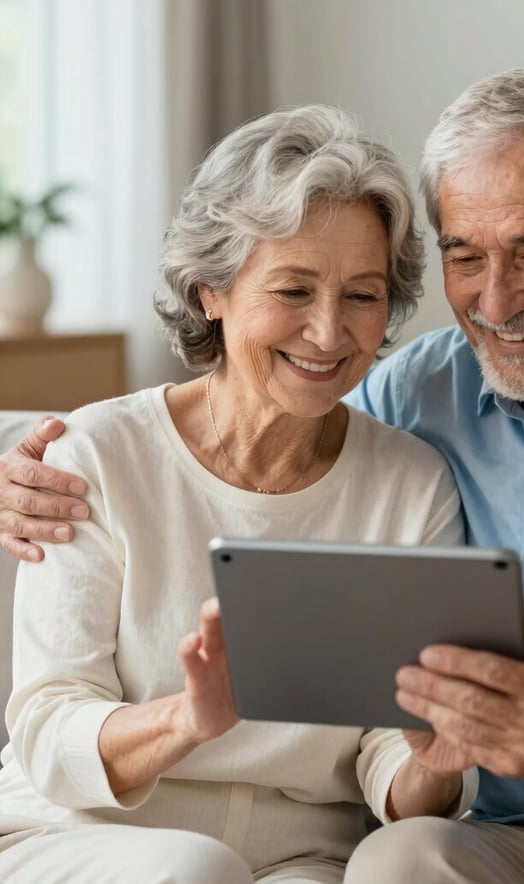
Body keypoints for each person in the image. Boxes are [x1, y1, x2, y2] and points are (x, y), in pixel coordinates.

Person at [2, 68, 524, 883]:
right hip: (491, 833)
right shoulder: (421, 393)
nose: (498, 302)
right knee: (395, 863)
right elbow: (275, 406)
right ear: (210, 290)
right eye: (466, 256)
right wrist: (21, 460)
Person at [0, 104, 479, 883]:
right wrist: (187, 720)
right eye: (294, 290)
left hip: (300, 857)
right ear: (209, 291)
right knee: (194, 870)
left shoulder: (409, 484)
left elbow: (389, 746)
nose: (328, 333)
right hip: (74, 836)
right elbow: (50, 729)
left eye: (361, 295)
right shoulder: (96, 457)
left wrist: (438, 763)